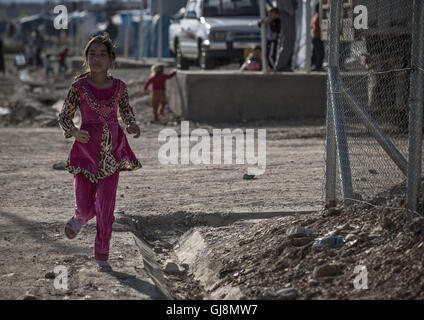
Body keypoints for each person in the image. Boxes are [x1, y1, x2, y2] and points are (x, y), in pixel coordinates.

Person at [58, 33, 142, 272]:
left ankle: (102, 254)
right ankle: (80, 218)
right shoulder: (79, 87)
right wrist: (74, 132)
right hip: (85, 154)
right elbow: (64, 117)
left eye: (102, 54)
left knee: (106, 207)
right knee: (86, 208)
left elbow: (127, 112)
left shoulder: (120, 87)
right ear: (86, 58)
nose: (96, 59)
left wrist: (131, 124)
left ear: (111, 58)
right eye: (92, 54)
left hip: (113, 154)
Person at [275, 0, 298, 72]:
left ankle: (282, 64)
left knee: (286, 40)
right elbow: (288, 7)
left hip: (286, 14)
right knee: (288, 40)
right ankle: (281, 65)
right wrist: (292, 10)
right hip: (287, 14)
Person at [311, 3, 324, 71]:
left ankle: (315, 66)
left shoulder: (315, 16)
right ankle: (318, 67)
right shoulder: (319, 17)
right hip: (317, 37)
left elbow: (312, 26)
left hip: (315, 37)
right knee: (320, 53)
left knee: (315, 53)